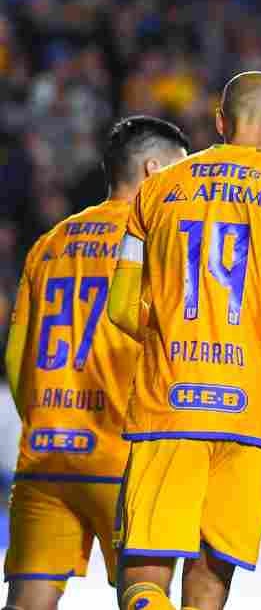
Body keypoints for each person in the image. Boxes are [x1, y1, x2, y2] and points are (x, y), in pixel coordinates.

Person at [107, 72, 261, 610]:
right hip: (248, 413)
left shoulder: (156, 190)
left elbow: (119, 308)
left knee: (144, 577)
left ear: (220, 122)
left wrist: (173, 336)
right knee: (210, 580)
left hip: (170, 403)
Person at [3, 116, 189, 610]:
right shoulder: (158, 244)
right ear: (153, 171)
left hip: (45, 455)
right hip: (123, 456)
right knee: (143, 594)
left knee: (27, 602)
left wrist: (49, 420)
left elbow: (17, 357)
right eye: (180, 172)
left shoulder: (48, 245)